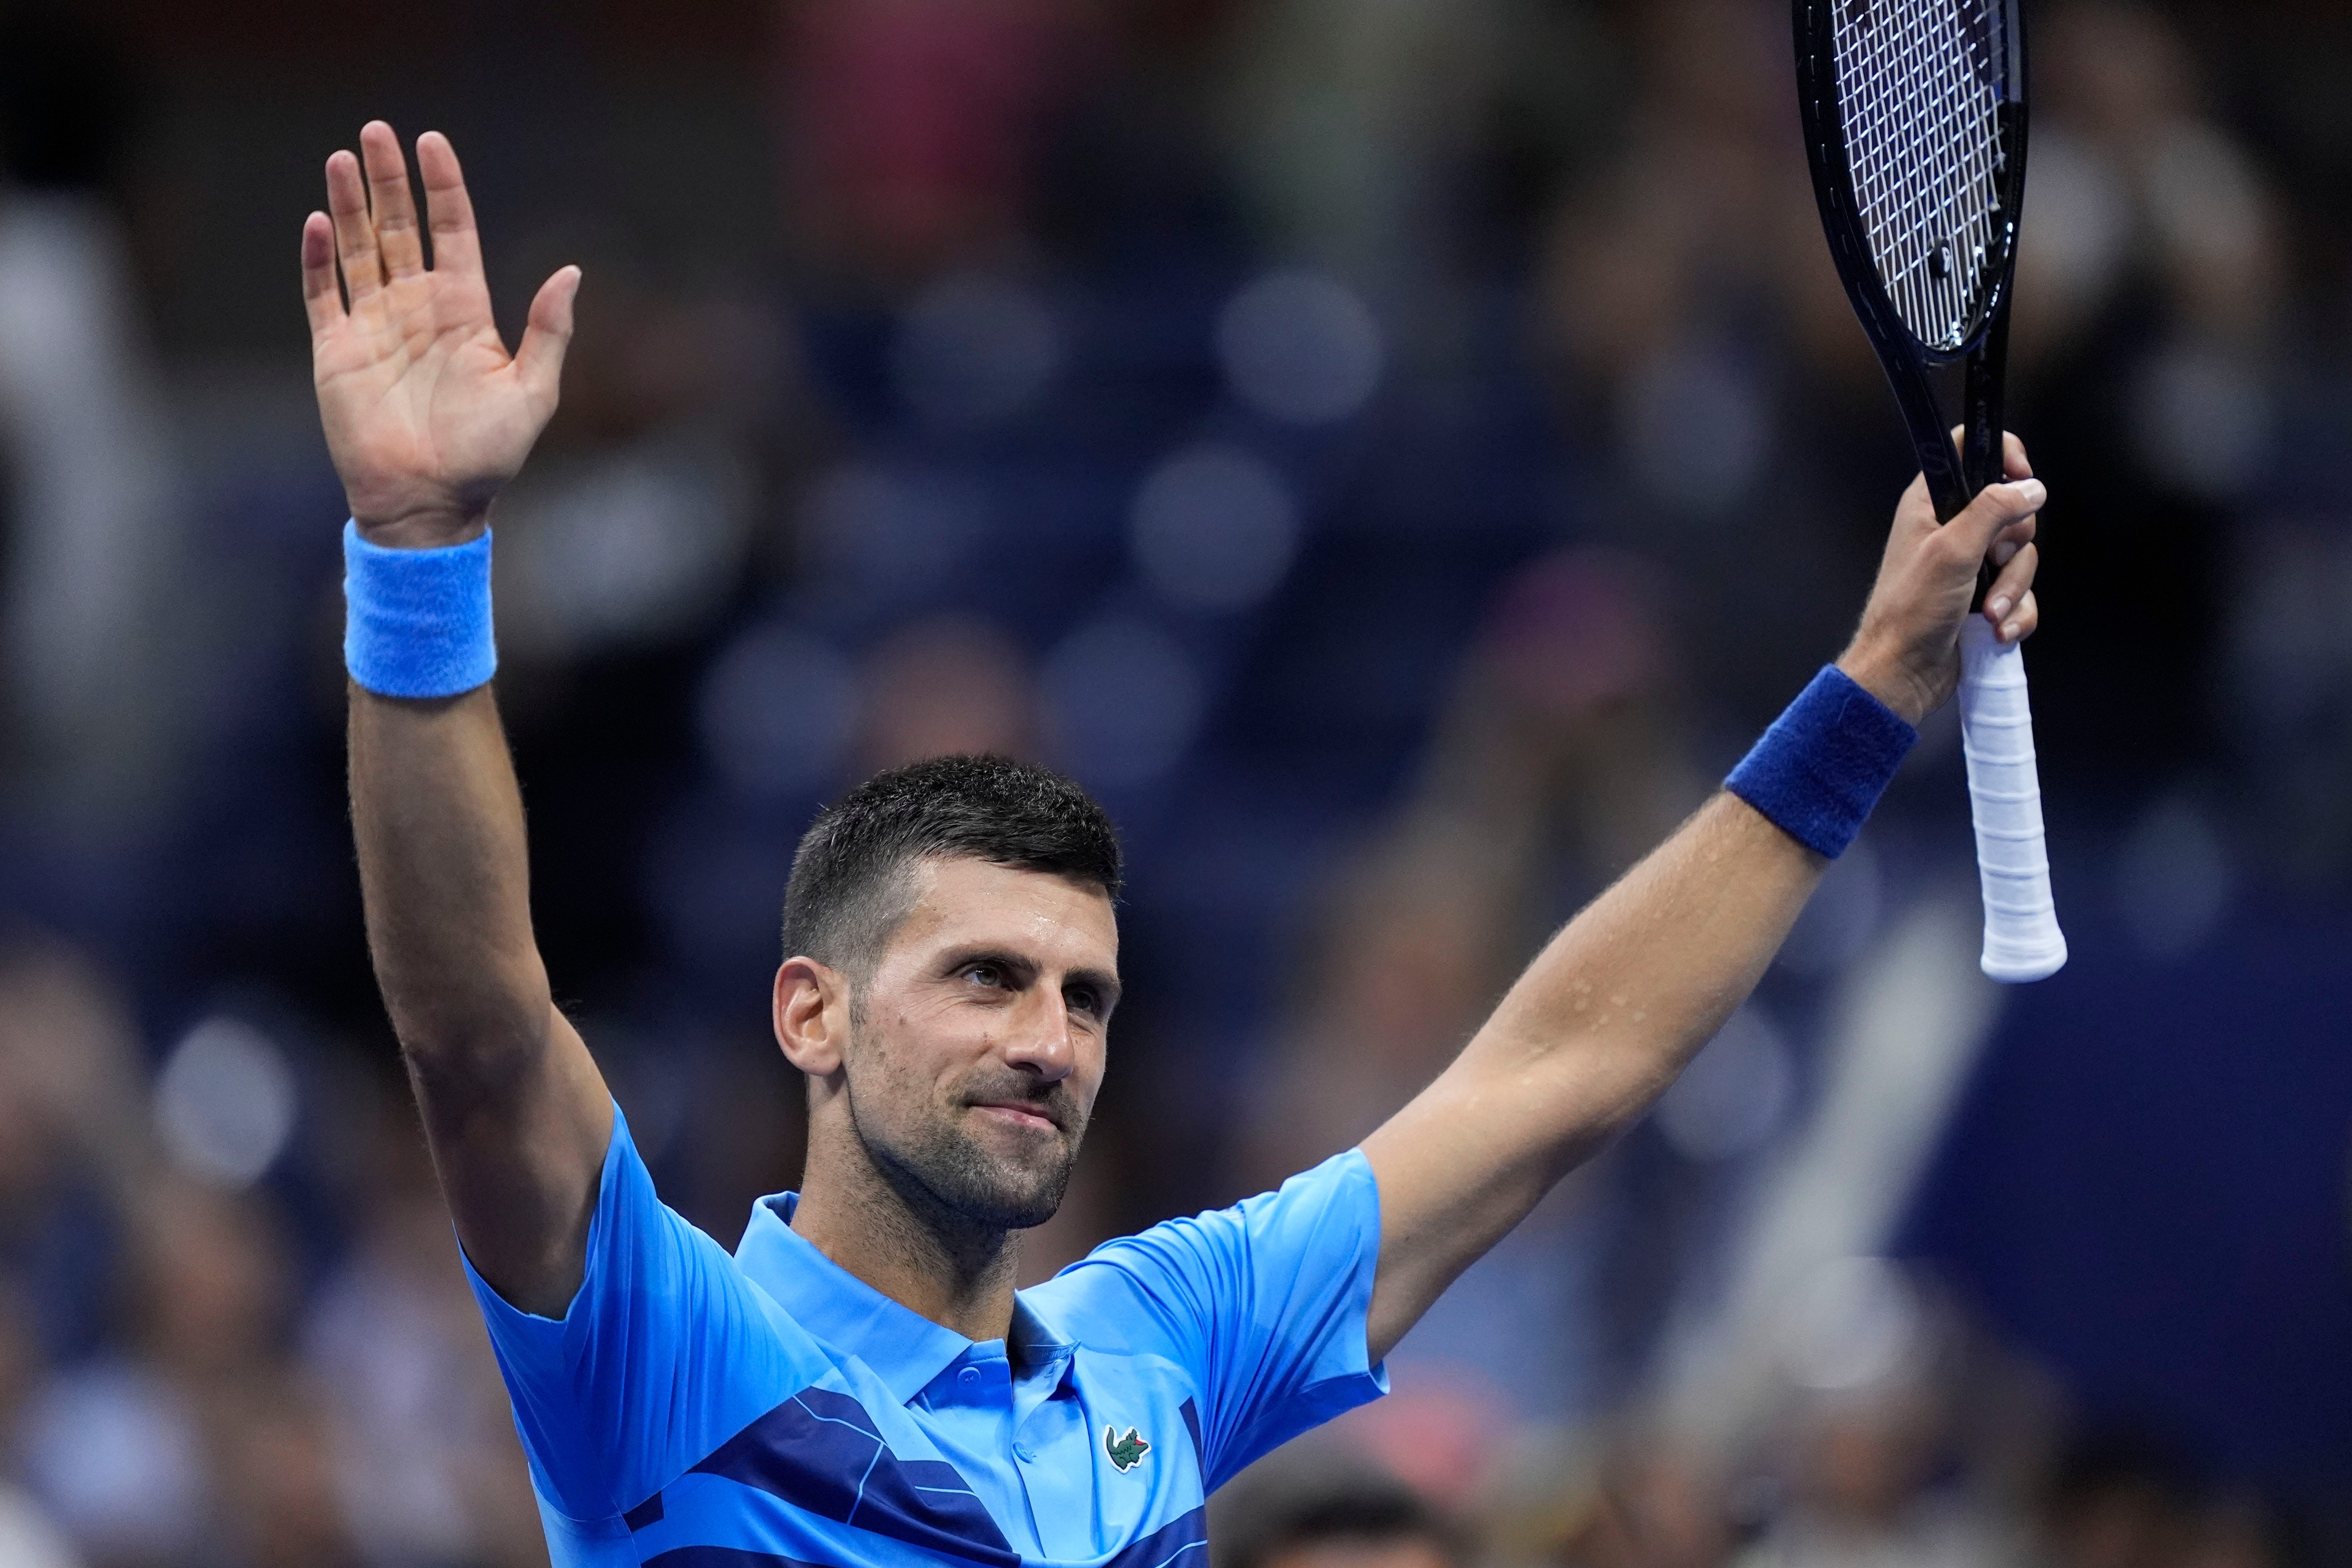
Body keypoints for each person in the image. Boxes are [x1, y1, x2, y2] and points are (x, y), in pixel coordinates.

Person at [301, 122, 2045, 1568]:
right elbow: (473, 1020)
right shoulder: (667, 1354)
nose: (1047, 1039)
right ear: (808, 1013)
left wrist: (1874, 680)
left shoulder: (1164, 1345)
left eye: (1082, 995)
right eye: (983, 976)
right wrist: (419, 546)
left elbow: (1560, 1069)